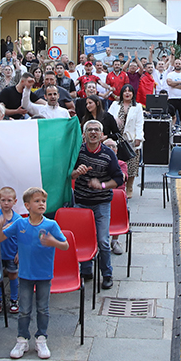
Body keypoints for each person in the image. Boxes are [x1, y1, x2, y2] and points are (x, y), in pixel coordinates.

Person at [0, 186, 69, 360]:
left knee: (43, 309)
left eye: (43, 201)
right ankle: (22, 339)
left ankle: (41, 338)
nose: (41, 204)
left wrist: (53, 241)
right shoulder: (20, 223)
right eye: (37, 201)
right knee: (24, 310)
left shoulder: (51, 224)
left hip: (44, 274)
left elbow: (65, 245)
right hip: (25, 275)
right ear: (27, 206)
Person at [71, 120, 123, 289]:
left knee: (103, 240)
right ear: (84, 134)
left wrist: (101, 185)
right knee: (82, 239)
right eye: (89, 130)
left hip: (101, 203)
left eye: (96, 130)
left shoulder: (109, 154)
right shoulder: (76, 151)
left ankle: (107, 274)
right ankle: (86, 271)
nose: (93, 133)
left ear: (101, 135)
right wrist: (75, 173)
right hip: (80, 202)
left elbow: (118, 178)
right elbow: (66, 174)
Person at [0, 187, 21, 314]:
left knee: (13, 275)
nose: (6, 203)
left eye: (9, 200)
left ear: (15, 201)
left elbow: (22, 237)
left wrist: (19, 252)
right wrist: (1, 229)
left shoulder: (17, 219)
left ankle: (14, 299)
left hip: (12, 253)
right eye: (3, 200)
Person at [108, 85, 144, 198]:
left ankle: (129, 186)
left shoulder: (137, 107)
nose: (127, 93)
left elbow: (139, 123)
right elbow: (108, 118)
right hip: (117, 138)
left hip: (130, 139)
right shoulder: (115, 105)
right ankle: (118, 185)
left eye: (130, 91)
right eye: (125, 91)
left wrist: (139, 137)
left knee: (131, 165)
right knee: (117, 163)